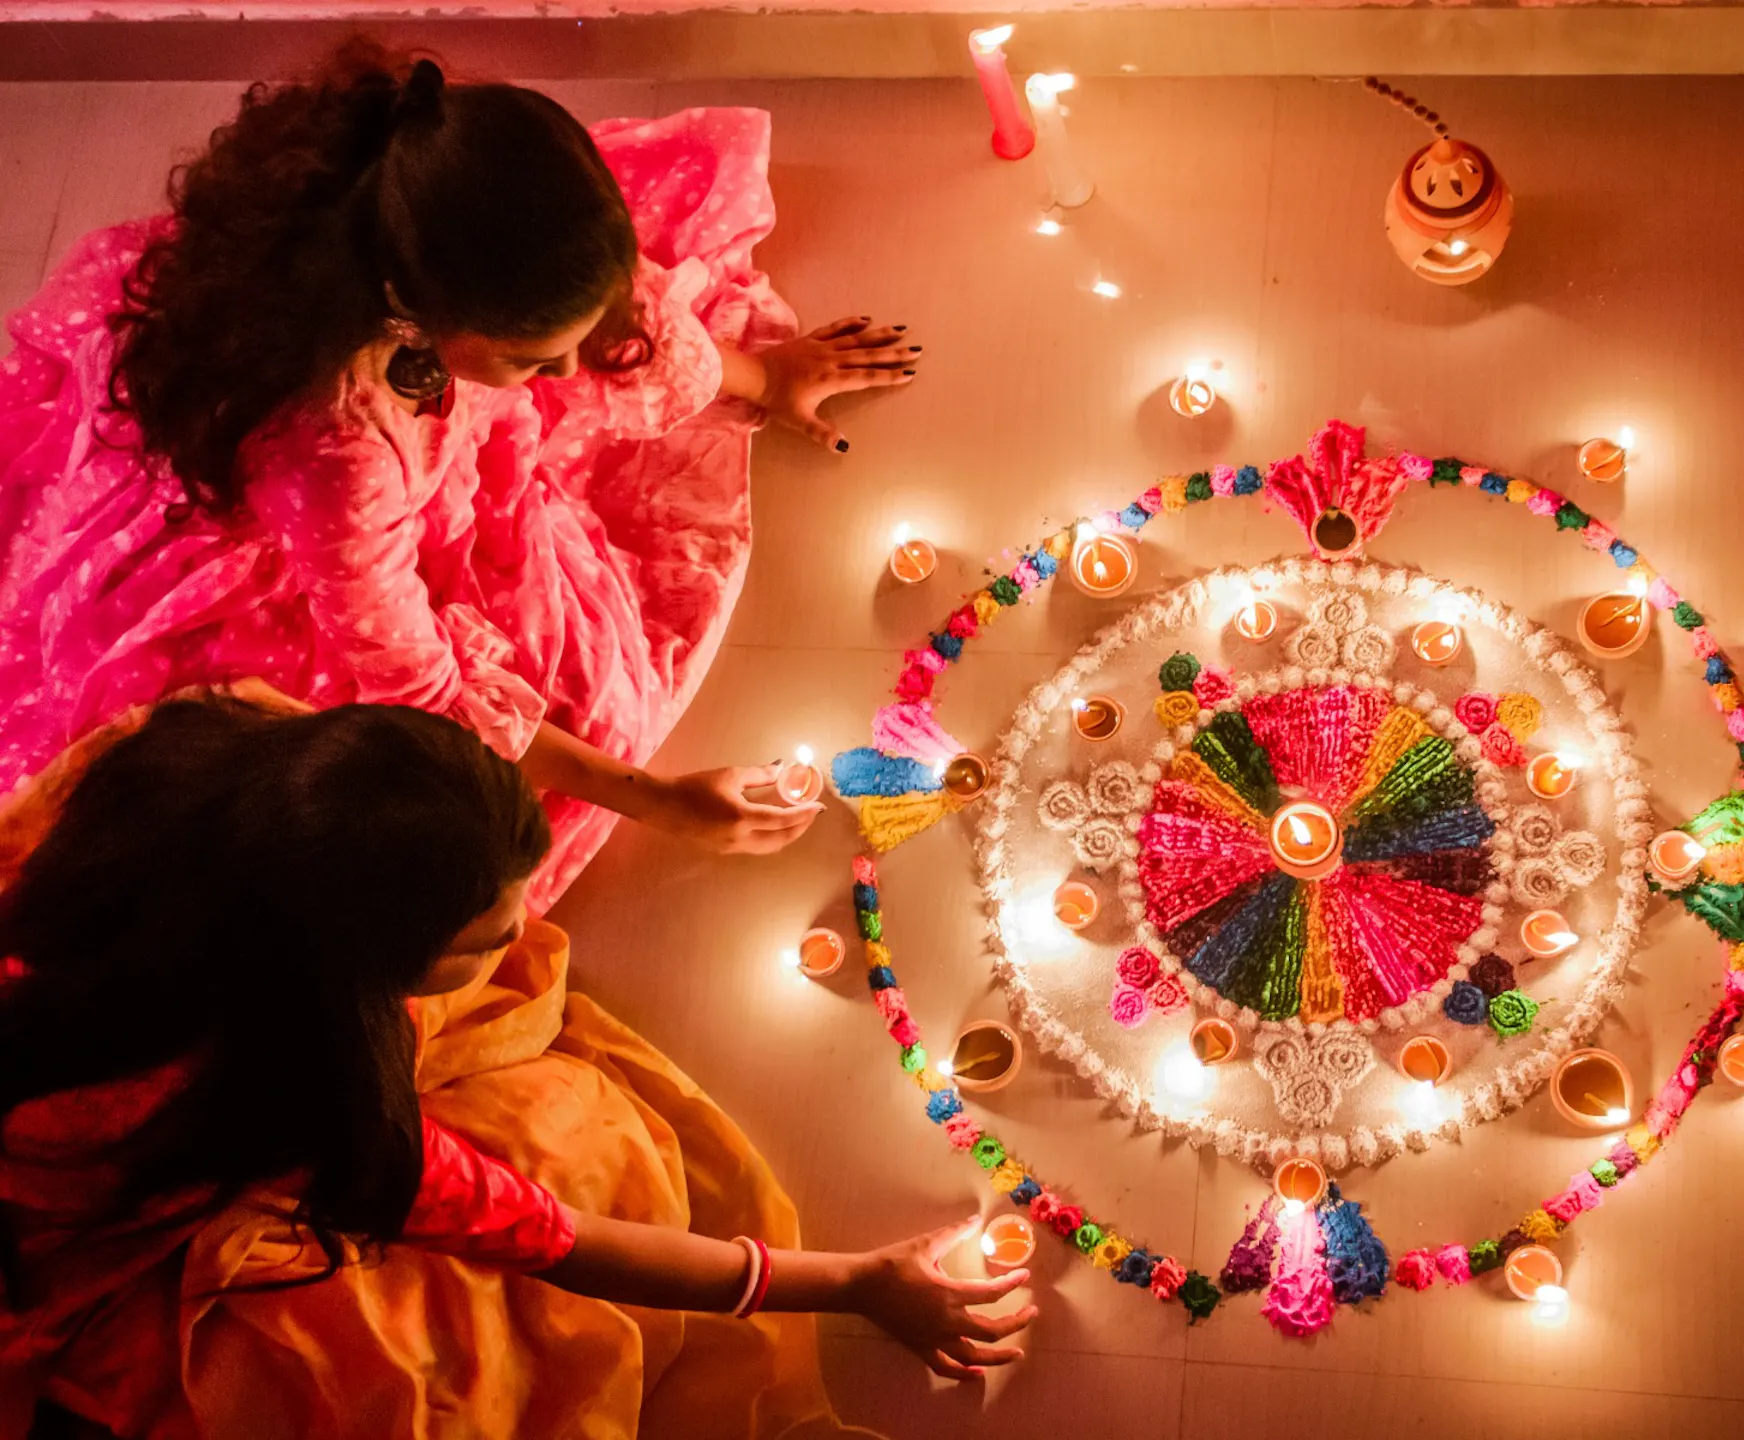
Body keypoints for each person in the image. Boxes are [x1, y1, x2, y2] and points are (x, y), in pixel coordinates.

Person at [0, 42, 919, 911]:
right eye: (530, 359)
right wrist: (658, 799)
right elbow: (422, 692)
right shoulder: (336, 459)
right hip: (288, 565)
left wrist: (768, 378)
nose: (564, 383)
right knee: (519, 756)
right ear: (413, 315)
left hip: (377, 439)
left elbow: (616, 329)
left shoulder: (444, 219)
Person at [0, 689, 1033, 1440]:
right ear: (352, 972)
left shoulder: (186, 751)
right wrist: (855, 1282)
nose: (523, 937)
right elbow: (557, 1239)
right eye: (483, 939)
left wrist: (661, 797)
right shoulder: (296, 1100)